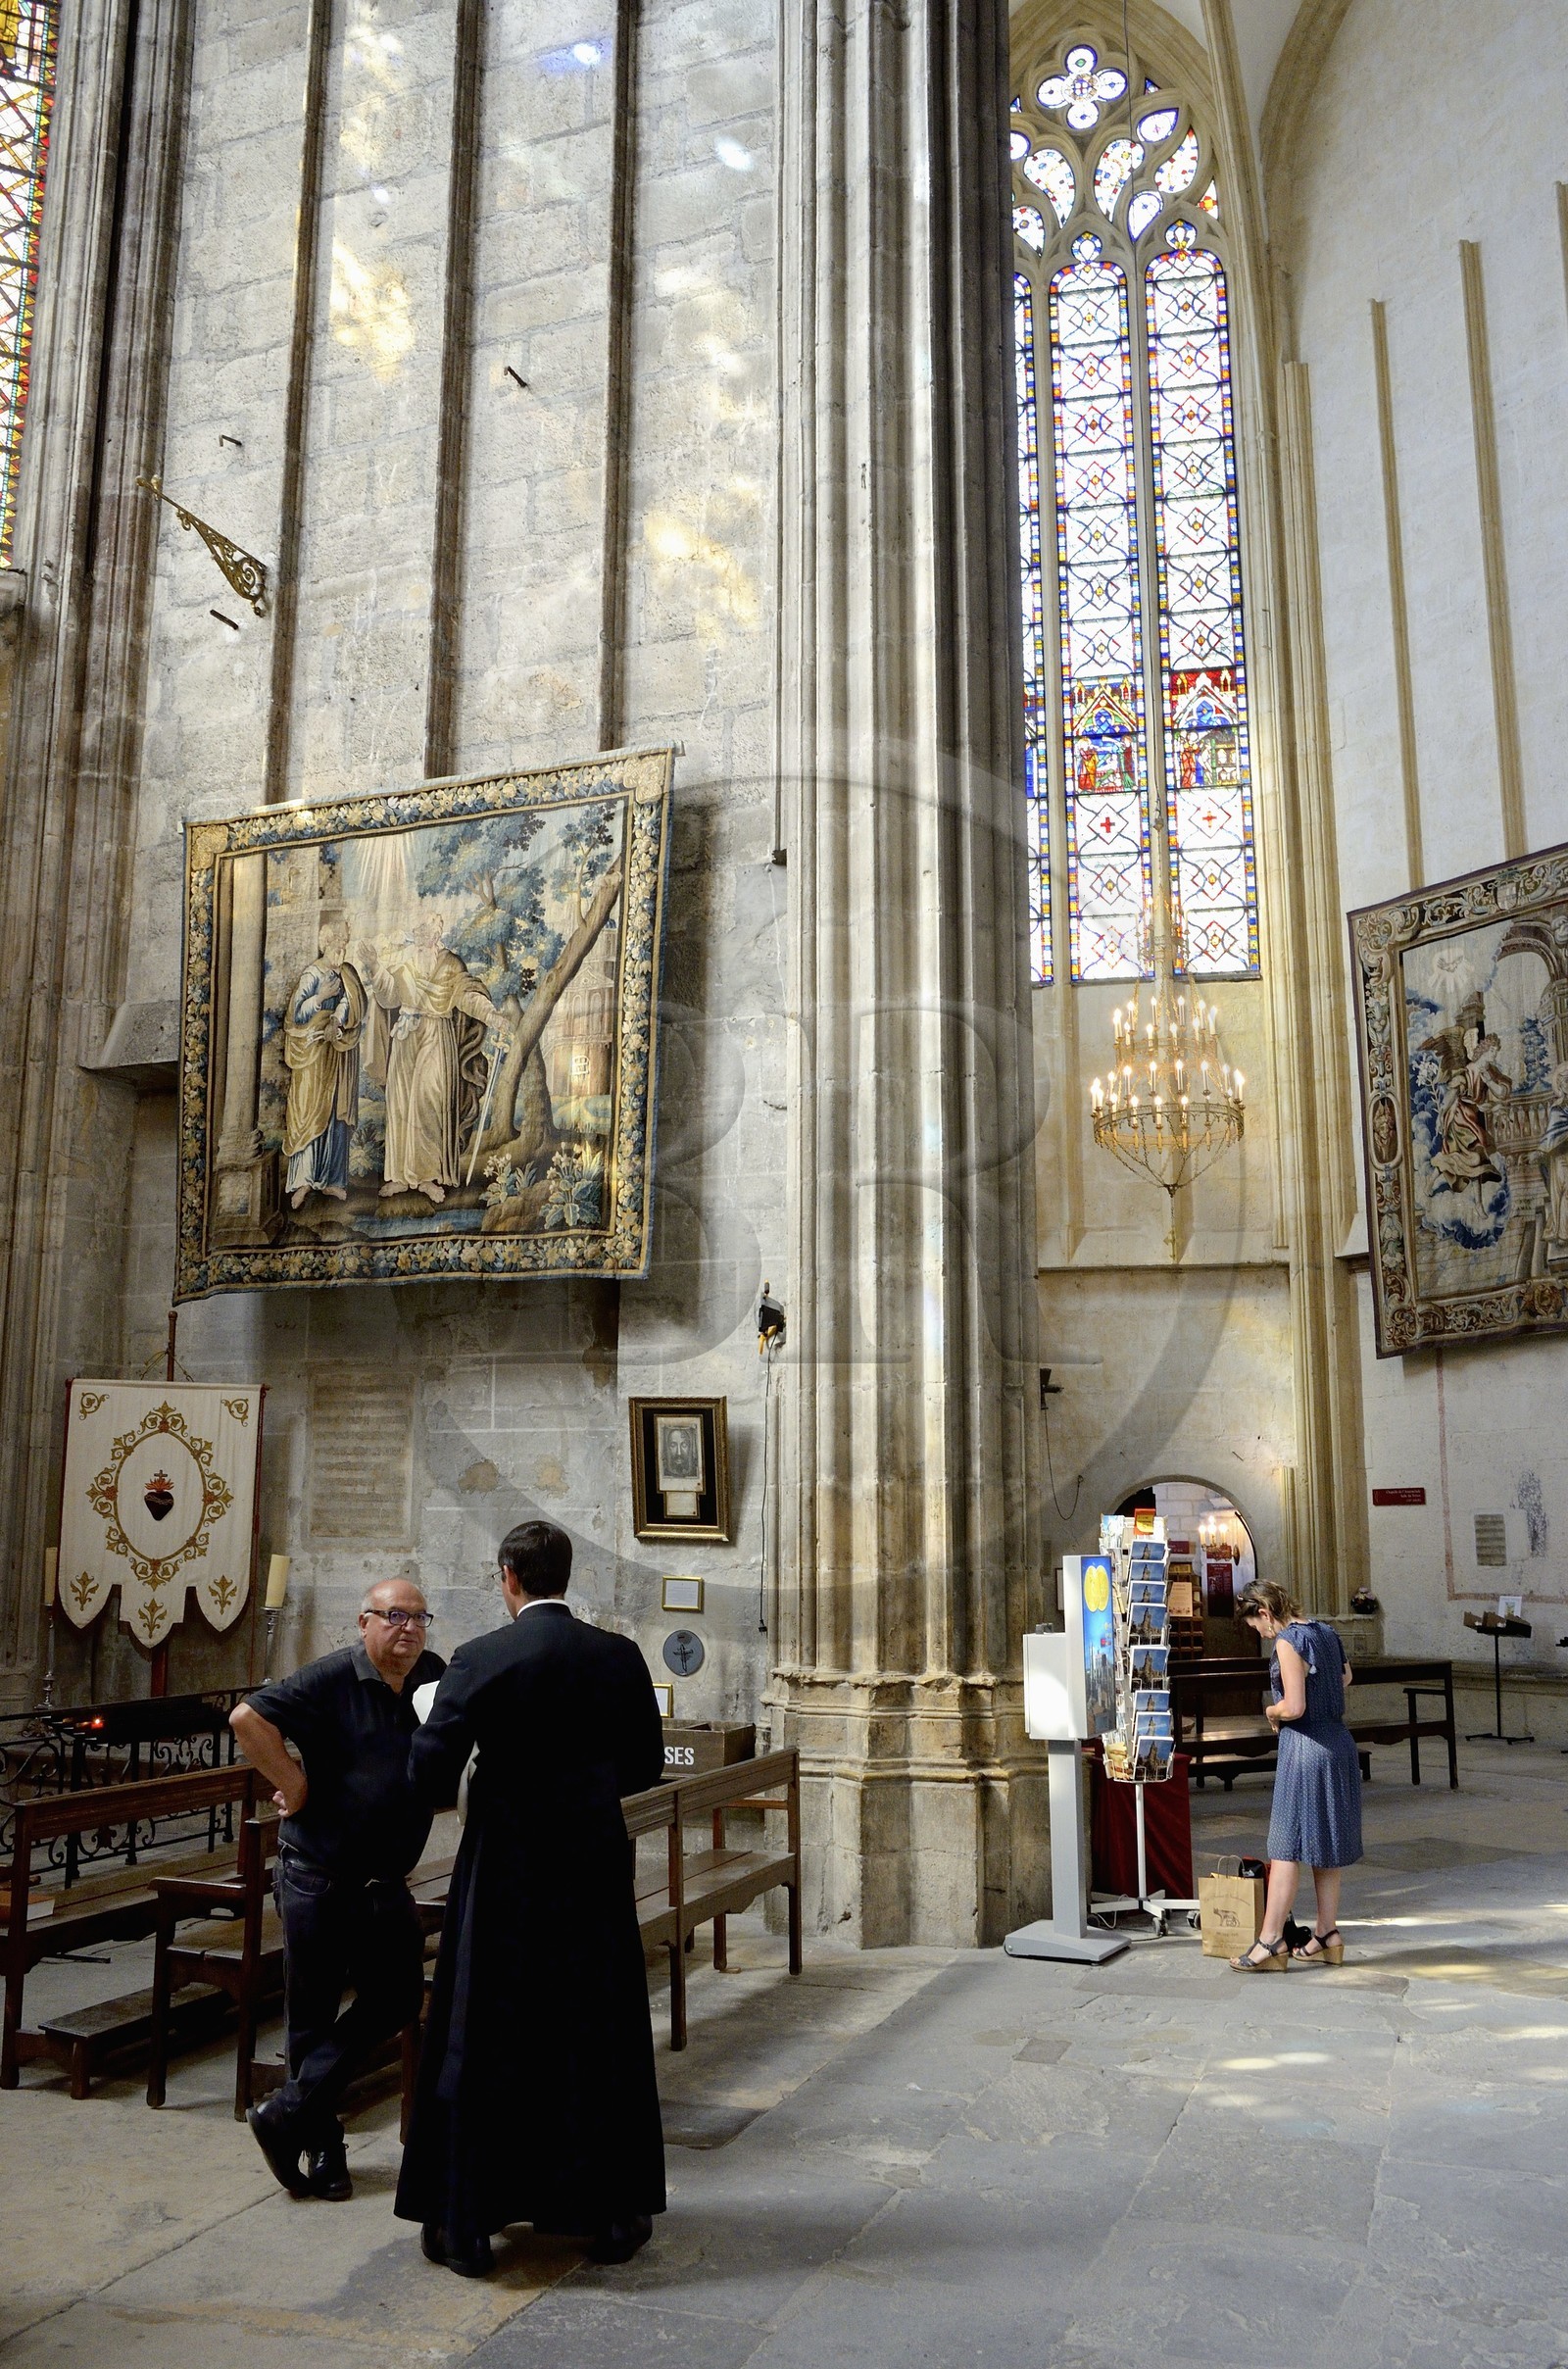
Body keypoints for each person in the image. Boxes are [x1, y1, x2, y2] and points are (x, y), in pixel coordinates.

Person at [395, 1519, 665, 2278]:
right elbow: (645, 1762)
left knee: (483, 2031)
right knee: (595, 2024)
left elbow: (428, 1771)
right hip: (589, 1865)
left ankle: (469, 2221)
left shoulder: (481, 1656)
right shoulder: (617, 1655)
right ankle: (611, 2213)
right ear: (565, 1577)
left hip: (505, 1869)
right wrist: (580, 1791)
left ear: (508, 1575)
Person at [229, 1576, 444, 2198]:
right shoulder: (329, 1679)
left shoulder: (429, 1674)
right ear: (363, 1621)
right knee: (313, 2018)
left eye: (418, 1618)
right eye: (394, 1617)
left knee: (399, 1997)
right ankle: (324, 2151)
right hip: (319, 1878)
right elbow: (247, 1718)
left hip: (385, 1883)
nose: (408, 1629)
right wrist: (293, 1786)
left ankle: (289, 2108)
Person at [1229, 1578, 1362, 1972]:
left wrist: (1271, 1712)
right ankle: (1325, 1935)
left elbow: (1295, 1706)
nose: (1260, 1633)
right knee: (1324, 1845)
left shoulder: (1288, 1641)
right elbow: (1345, 1678)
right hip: (1337, 1744)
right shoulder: (1326, 1632)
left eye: (1257, 1626)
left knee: (1285, 1845)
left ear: (1266, 1613)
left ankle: (1270, 1941)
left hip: (1305, 1750)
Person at [355, 913, 511, 1202]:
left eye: (426, 929)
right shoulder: (404, 958)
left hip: (436, 1035)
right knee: (400, 1103)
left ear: (437, 932)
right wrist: (374, 965)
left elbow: (466, 995)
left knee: (429, 1101)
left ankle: (427, 1177)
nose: (421, 933)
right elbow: (388, 996)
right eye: (418, 928)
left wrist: (491, 1015)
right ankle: (401, 1177)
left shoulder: (451, 963)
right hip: (404, 1036)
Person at [282, 914, 366, 1209]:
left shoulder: (346, 973)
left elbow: (353, 1002)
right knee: (308, 1111)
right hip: (313, 1057)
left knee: (334, 1115)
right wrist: (319, 998)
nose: (341, 948)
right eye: (337, 943)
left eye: (344, 943)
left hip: (337, 1053)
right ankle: (304, 1182)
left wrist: (339, 1020)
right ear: (326, 944)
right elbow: (296, 1014)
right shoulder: (312, 974)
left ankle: (332, 1180)